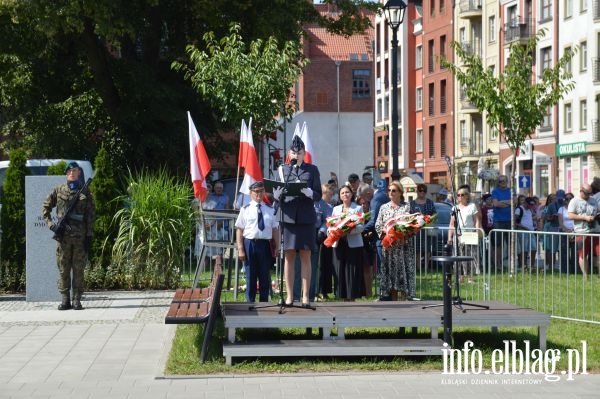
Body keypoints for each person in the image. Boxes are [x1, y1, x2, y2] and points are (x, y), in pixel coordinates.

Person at [272, 135, 322, 307]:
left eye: (299, 152)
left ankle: (306, 296)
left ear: (304, 153)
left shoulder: (312, 170)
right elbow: (275, 191)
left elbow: (318, 194)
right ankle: (289, 296)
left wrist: (310, 193)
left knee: (306, 255)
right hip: (288, 217)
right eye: (293, 152)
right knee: (289, 256)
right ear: (289, 153)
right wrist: (276, 196)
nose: (296, 155)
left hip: (306, 218)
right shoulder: (283, 170)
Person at [42, 161, 95, 310]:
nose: (72, 173)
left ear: (79, 173)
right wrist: (51, 225)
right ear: (66, 173)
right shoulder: (59, 190)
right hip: (63, 238)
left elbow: (90, 214)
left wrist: (89, 235)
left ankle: (77, 299)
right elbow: (45, 207)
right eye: (70, 171)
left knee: (78, 269)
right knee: (63, 269)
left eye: (75, 171)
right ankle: (65, 299)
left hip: (80, 238)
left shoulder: (86, 192)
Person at [235, 182, 279, 303]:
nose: (259, 194)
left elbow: (275, 229)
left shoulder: (270, 210)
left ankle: (264, 303)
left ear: (264, 192)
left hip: (265, 245)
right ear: (251, 193)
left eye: (261, 191)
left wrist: (277, 247)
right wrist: (240, 249)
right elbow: (239, 229)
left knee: (264, 275)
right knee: (251, 275)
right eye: (256, 192)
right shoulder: (245, 209)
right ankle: (250, 303)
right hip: (249, 244)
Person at [375, 181, 416, 301]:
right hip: (389, 247)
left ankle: (405, 298)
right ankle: (393, 299)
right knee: (391, 274)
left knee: (403, 272)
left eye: (394, 190)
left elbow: (413, 223)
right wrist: (385, 230)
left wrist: (406, 232)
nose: (391, 193)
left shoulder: (407, 206)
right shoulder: (383, 207)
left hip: (403, 246)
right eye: (389, 190)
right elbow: (378, 225)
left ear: (400, 192)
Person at [329, 185, 365, 300]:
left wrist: (348, 231)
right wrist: (335, 231)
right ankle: (342, 296)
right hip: (339, 243)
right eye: (343, 193)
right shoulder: (336, 209)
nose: (345, 194)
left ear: (352, 194)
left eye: (347, 192)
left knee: (352, 270)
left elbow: (361, 227)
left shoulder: (358, 208)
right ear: (339, 196)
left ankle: (352, 296)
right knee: (340, 269)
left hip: (353, 244)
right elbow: (330, 225)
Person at [447, 187, 481, 282]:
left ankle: (470, 277)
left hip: (469, 234)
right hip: (457, 235)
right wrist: (449, 237)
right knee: (457, 256)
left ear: (467, 196)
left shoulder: (472, 206)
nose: (460, 197)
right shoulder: (455, 208)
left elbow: (477, 220)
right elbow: (451, 223)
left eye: (462, 195)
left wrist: (477, 232)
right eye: (458, 195)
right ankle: (460, 277)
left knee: (470, 256)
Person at [363, 179, 390, 300]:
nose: (365, 201)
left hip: (381, 238)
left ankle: (383, 294)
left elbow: (374, 221)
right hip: (386, 236)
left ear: (368, 193)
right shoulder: (382, 196)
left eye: (364, 197)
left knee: (382, 267)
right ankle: (386, 294)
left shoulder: (376, 199)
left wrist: (361, 229)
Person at [568, 183, 600, 279]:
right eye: (587, 193)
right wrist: (584, 217)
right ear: (581, 191)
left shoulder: (594, 200)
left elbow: (597, 211)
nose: (589, 195)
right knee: (583, 255)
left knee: (598, 254)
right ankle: (585, 277)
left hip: (596, 231)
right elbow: (570, 215)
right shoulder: (574, 201)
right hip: (582, 232)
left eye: (590, 193)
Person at [410, 183, 437, 272]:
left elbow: (435, 214)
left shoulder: (430, 202)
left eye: (424, 191)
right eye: (420, 190)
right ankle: (418, 268)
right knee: (417, 249)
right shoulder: (412, 203)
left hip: (427, 229)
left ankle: (425, 268)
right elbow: (409, 216)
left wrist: (430, 219)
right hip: (416, 230)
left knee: (427, 249)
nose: (422, 192)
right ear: (417, 191)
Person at [317, 183, 335, 299]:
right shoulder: (316, 204)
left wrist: (322, 231)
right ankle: (316, 290)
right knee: (317, 265)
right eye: (329, 194)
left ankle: (324, 290)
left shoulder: (329, 207)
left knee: (326, 265)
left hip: (325, 238)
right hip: (313, 237)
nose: (331, 197)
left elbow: (328, 221)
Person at [491, 175, 512, 271]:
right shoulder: (495, 191)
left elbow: (515, 202)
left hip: (510, 220)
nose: (502, 182)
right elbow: (496, 204)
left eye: (504, 181)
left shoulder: (511, 190)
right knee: (498, 245)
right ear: (498, 182)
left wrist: (502, 202)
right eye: (500, 181)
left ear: (507, 181)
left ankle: (511, 263)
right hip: (498, 221)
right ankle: (498, 264)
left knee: (511, 243)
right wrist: (508, 202)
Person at [542, 192, 561, 270]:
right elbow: (543, 217)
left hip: (557, 227)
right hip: (548, 227)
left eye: (555, 199)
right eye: (551, 199)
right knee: (548, 247)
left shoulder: (558, 206)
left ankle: (554, 264)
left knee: (556, 247)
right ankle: (548, 265)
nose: (553, 200)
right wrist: (550, 217)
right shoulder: (546, 207)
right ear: (548, 200)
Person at [558, 192, 576, 274]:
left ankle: (574, 270)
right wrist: (567, 231)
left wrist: (573, 232)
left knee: (574, 252)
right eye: (567, 199)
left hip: (574, 232)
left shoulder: (576, 209)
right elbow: (561, 223)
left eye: (570, 198)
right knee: (564, 253)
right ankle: (565, 271)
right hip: (564, 233)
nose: (568, 200)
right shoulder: (561, 209)